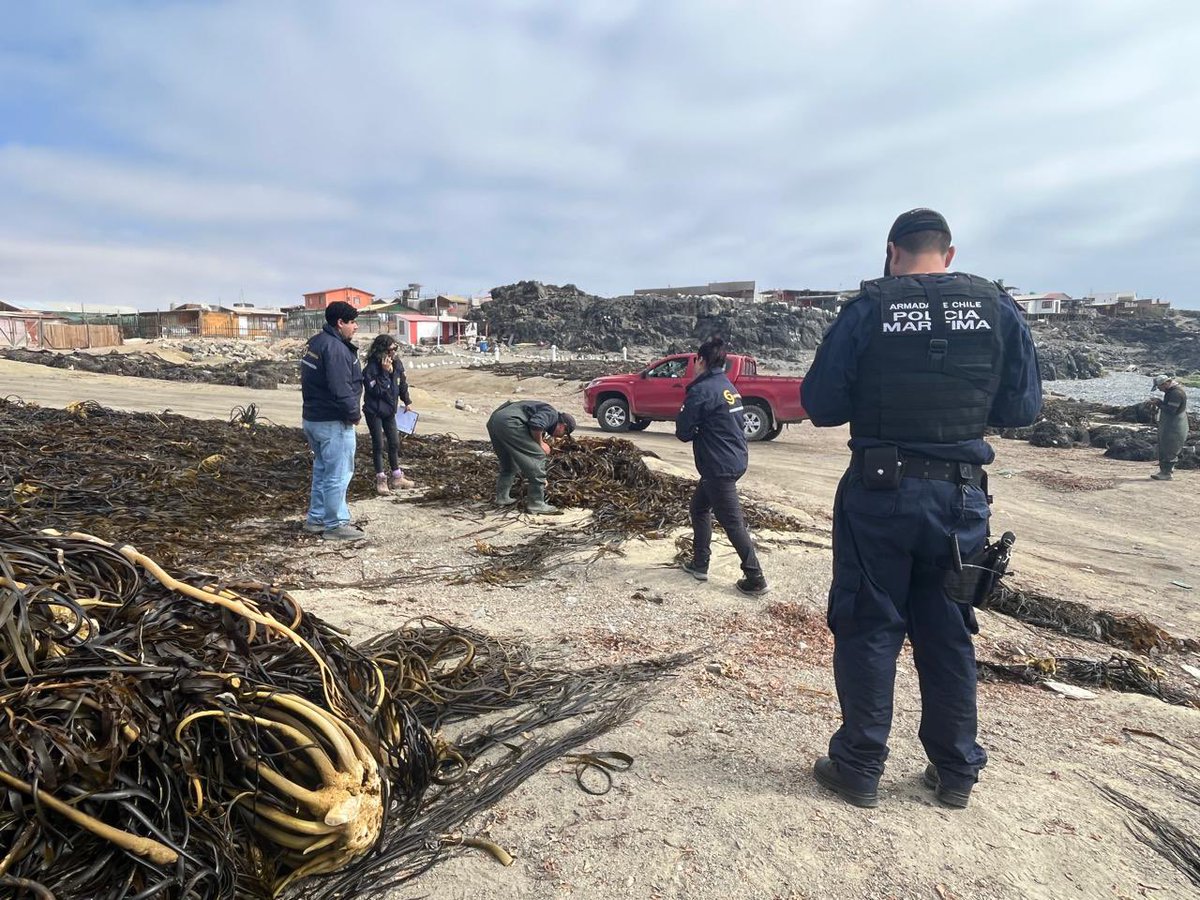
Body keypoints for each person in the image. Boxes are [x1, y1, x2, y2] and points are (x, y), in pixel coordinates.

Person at [801, 208, 1042, 810]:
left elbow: (821, 404)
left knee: (869, 624)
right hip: (961, 496)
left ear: (891, 252)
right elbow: (1022, 409)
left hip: (880, 490)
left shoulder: (870, 307)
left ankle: (859, 765)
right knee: (948, 631)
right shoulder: (997, 307)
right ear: (949, 254)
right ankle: (956, 770)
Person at [674, 336, 767, 595]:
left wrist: (696, 427)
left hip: (718, 465)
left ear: (700, 360)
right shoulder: (726, 385)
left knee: (732, 521)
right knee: (699, 507)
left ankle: (755, 577)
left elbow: (683, 431)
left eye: (695, 360)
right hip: (733, 458)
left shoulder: (702, 390)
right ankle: (700, 563)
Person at [300, 300, 365, 540]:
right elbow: (341, 388)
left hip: (313, 418)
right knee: (338, 473)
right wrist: (353, 414)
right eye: (352, 322)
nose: (356, 327)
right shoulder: (336, 349)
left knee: (323, 469)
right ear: (340, 323)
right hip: (332, 421)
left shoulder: (315, 343)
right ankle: (336, 524)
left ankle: (316, 518)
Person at [486, 400, 576, 514]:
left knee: (509, 462)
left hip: (495, 420)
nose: (559, 437)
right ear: (563, 426)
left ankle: (502, 497)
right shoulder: (552, 413)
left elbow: (532, 429)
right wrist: (541, 444)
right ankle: (536, 503)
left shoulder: (542, 414)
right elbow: (536, 425)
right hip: (510, 422)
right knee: (538, 454)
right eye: (563, 433)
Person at [363, 334, 417, 495]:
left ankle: (397, 476)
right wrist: (386, 373)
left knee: (394, 443)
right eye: (391, 349)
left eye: (395, 348)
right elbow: (377, 391)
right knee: (378, 444)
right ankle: (381, 478)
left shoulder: (397, 364)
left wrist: (407, 401)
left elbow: (402, 384)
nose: (394, 352)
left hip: (389, 410)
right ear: (382, 351)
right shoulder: (371, 369)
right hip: (374, 411)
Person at [1150, 374, 1188, 481]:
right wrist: (1160, 403)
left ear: (1166, 383)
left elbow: (1171, 410)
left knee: (1170, 448)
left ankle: (1167, 473)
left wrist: (1158, 403)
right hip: (1170, 425)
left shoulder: (1176, 393)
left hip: (1175, 426)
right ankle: (1164, 471)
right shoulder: (1170, 392)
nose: (1159, 389)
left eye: (1160, 387)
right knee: (1165, 447)